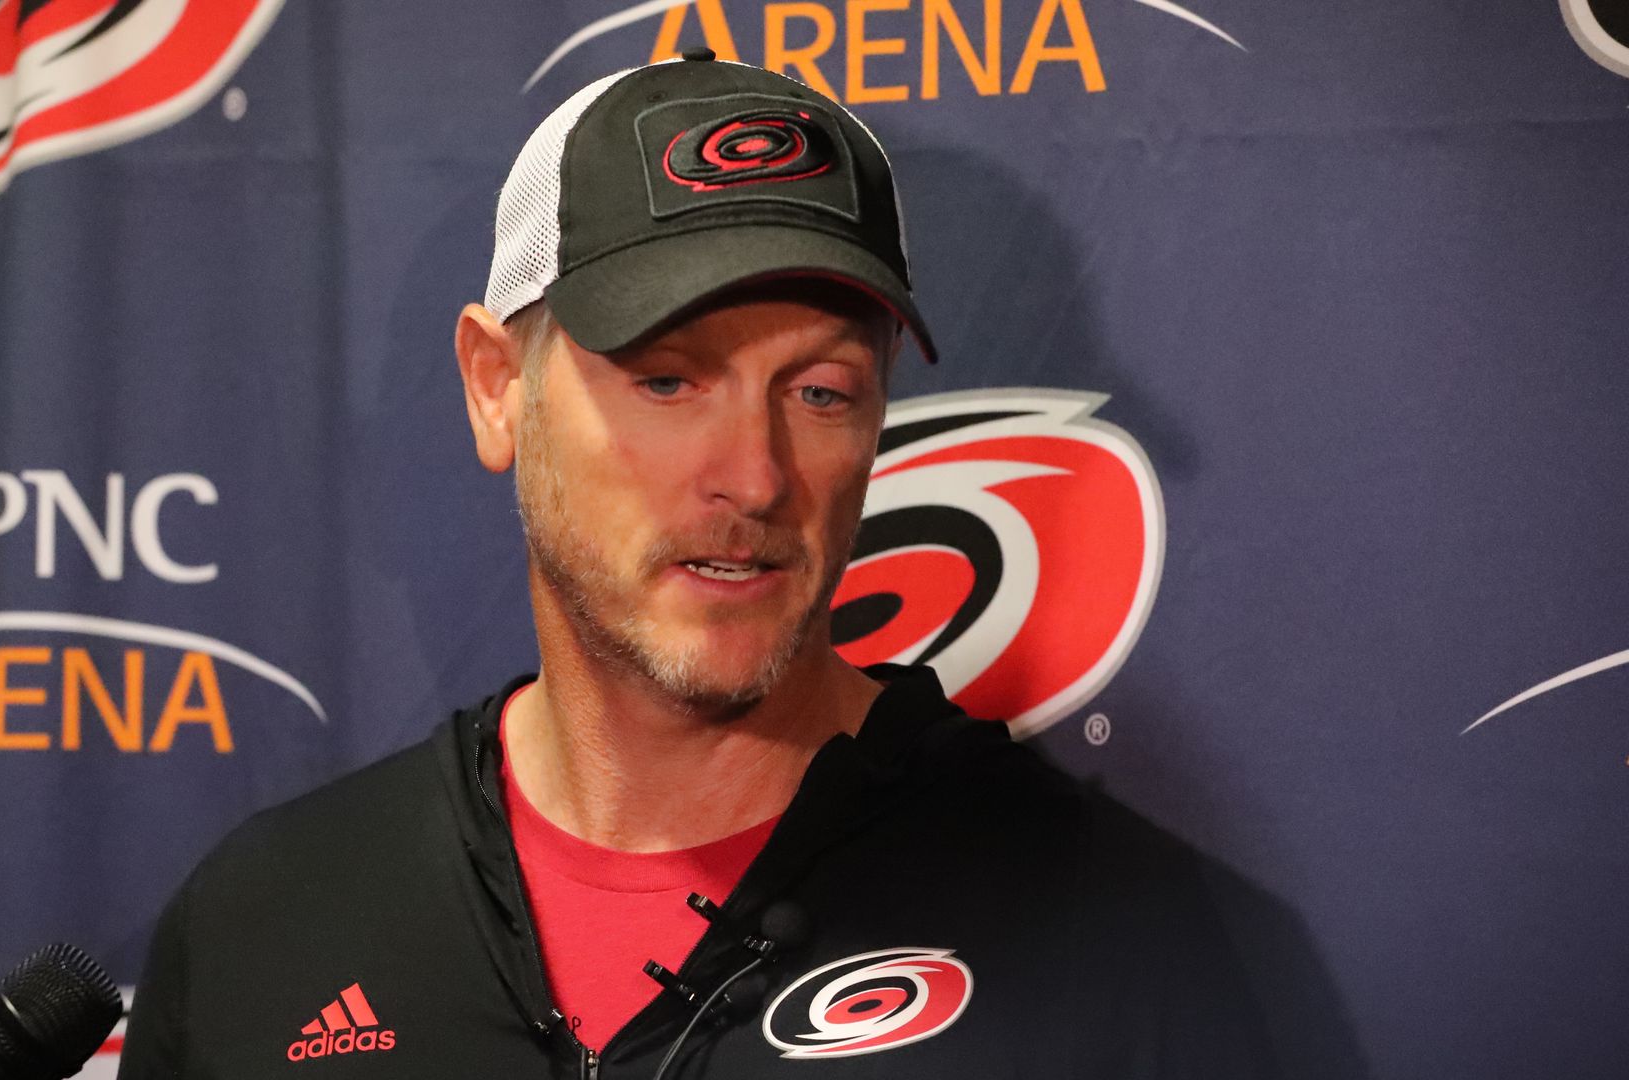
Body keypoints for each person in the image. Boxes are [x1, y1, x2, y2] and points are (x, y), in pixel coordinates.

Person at [118, 54, 1279, 1079]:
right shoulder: (266, 925)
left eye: (821, 392)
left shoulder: (1117, 933)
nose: (757, 477)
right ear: (494, 387)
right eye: (667, 379)